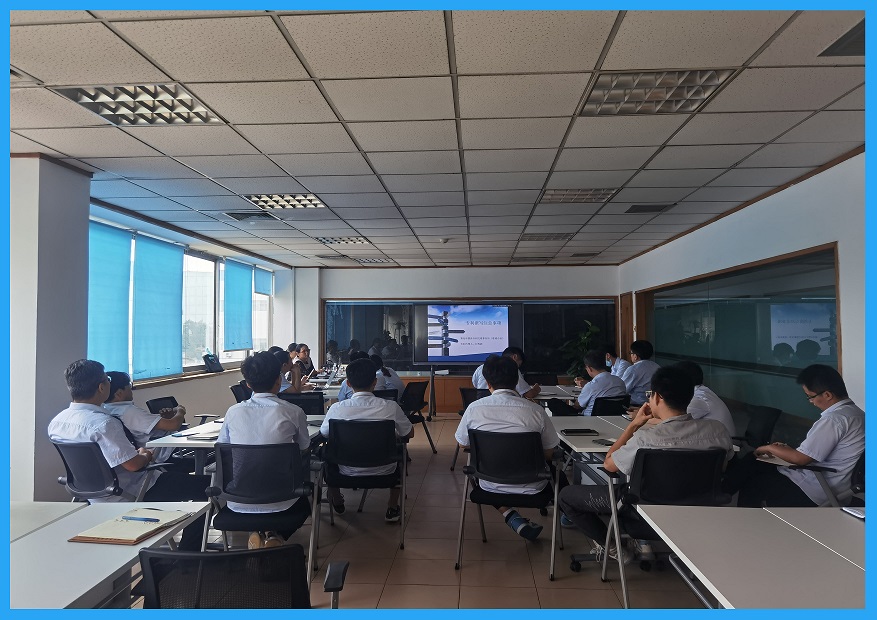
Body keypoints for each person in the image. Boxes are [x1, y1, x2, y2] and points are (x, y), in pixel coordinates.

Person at [558, 366, 733, 560]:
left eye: (650, 394)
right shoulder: (718, 431)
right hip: (698, 513)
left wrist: (634, 425)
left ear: (657, 397)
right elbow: (723, 466)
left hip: (641, 516)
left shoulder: (646, 438)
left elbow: (609, 465)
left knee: (566, 496)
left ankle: (614, 548)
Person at [48, 360, 211, 551]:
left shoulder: (57, 422)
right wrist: (145, 454)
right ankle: (188, 555)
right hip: (130, 490)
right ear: (101, 387)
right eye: (107, 380)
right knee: (208, 487)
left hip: (89, 494)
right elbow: (133, 465)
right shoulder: (104, 423)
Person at [722, 364, 864, 507]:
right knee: (754, 461)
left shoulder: (834, 420)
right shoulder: (858, 414)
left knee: (753, 479)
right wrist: (784, 450)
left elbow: (800, 459)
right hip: (836, 483)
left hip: (815, 488)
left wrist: (769, 448)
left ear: (827, 395)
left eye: (810, 397)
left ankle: (724, 499)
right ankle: (721, 495)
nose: (811, 402)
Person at [456, 355, 564, 541]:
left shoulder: (474, 409)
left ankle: (510, 515)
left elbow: (463, 444)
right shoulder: (536, 411)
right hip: (534, 486)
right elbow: (548, 453)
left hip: (489, 483)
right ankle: (569, 513)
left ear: (487, 383)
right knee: (558, 468)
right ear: (516, 381)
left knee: (487, 467)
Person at [219, 352, 312, 549]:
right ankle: (274, 535)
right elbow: (304, 447)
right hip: (284, 499)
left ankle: (260, 533)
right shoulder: (293, 412)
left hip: (238, 500)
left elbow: (224, 449)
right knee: (305, 496)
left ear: (248, 384)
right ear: (279, 380)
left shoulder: (233, 412)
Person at [321, 358, 414, 522]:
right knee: (401, 451)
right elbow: (409, 433)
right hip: (385, 470)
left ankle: (337, 499)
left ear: (348, 383)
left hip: (345, 470)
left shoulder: (337, 409)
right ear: (375, 382)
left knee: (327, 453)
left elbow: (324, 434)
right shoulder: (390, 407)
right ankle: (392, 507)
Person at [103, 371, 191, 471]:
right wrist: (180, 411)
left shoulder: (108, 410)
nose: (132, 390)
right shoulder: (129, 412)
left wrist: (167, 417)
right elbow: (173, 425)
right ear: (119, 393)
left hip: (165, 446)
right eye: (130, 386)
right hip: (169, 452)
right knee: (205, 451)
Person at [548, 349, 627, 416]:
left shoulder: (591, 385)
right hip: (614, 418)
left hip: (588, 419)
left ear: (589, 368)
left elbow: (578, 406)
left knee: (553, 402)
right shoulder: (620, 382)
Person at [673, 361, 736, 437]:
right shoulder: (701, 392)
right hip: (718, 440)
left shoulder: (698, 398)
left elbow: (673, 423)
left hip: (725, 443)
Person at [472, 346, 541, 399]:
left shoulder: (480, 368)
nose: (518, 367)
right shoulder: (512, 369)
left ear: (488, 384)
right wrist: (536, 389)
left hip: (481, 402)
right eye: (519, 364)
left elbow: (475, 384)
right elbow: (529, 394)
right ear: (515, 357)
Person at [620, 340, 661, 405]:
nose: (630, 356)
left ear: (635, 356)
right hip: (655, 404)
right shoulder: (657, 367)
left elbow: (621, 389)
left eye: (631, 353)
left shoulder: (633, 369)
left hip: (636, 406)